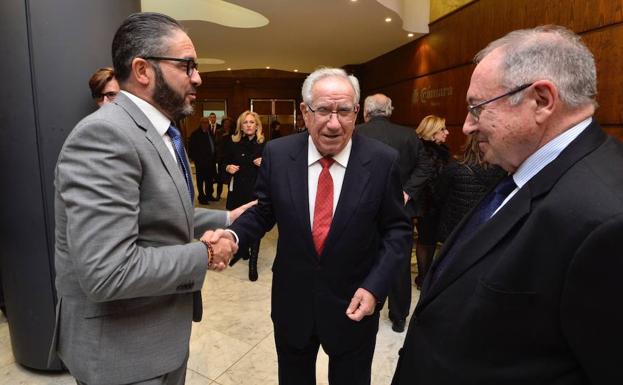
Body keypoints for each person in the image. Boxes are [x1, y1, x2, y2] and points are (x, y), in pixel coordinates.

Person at [392, 25, 623, 385]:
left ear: (542, 101)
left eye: (477, 108)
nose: (466, 126)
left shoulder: (608, 220)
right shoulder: (524, 168)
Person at [51, 12, 251, 385]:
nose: (197, 77)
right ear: (143, 70)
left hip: (157, 339)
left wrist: (225, 219)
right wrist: (206, 254)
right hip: (122, 354)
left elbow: (158, 211)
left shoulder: (161, 131)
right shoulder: (105, 136)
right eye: (187, 65)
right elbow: (108, 271)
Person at [206, 67, 412, 385]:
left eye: (344, 111)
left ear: (357, 113)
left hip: (355, 304)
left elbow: (397, 230)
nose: (334, 122)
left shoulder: (382, 160)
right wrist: (233, 236)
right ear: (305, 112)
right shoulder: (279, 153)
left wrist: (375, 286)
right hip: (294, 302)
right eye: (323, 111)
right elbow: (263, 212)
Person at [356, 93, 432, 333]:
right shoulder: (409, 135)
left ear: (366, 112)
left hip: (361, 209)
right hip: (401, 210)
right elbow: (425, 166)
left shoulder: (355, 133)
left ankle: (361, 304)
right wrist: (407, 191)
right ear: (389, 111)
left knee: (362, 258)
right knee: (398, 260)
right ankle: (399, 317)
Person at [435, 135, 506, 243]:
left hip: (455, 230)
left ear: (468, 145)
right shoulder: (503, 170)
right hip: (486, 228)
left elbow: (439, 196)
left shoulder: (454, 168)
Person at [223, 110, 265, 281]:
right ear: (241, 126)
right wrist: (227, 168)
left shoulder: (265, 145)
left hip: (257, 191)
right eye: (245, 122)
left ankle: (253, 264)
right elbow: (222, 163)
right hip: (238, 190)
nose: (248, 125)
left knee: (256, 224)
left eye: (251, 122)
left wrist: (265, 164)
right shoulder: (233, 144)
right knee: (239, 221)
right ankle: (244, 248)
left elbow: (276, 170)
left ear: (257, 126)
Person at [412, 115, 451, 288]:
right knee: (426, 240)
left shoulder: (440, 150)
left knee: (430, 240)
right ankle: (423, 278)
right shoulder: (423, 150)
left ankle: (425, 277)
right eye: (443, 129)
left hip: (436, 203)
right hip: (426, 204)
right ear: (432, 132)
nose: (447, 132)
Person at [189, 116, 218, 204]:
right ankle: (201, 197)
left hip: (211, 162)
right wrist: (197, 160)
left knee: (209, 180)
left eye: (207, 123)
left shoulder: (210, 133)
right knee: (201, 181)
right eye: (204, 123)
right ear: (200, 124)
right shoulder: (195, 134)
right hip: (201, 163)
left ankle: (209, 195)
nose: (206, 125)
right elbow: (191, 149)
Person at [215, 115, 234, 199]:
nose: (226, 124)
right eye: (225, 123)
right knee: (220, 178)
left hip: (231, 158)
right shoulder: (219, 132)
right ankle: (218, 195)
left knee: (230, 178)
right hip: (221, 158)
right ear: (223, 124)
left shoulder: (233, 133)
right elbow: (216, 143)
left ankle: (231, 195)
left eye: (228, 123)